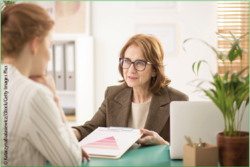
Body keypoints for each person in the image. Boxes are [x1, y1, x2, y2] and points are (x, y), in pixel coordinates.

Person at [1, 3, 89, 166]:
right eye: (49, 45)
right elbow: (71, 161)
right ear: (34, 44)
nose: (49, 57)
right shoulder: (34, 94)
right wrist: (55, 99)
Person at [73, 34, 189, 145]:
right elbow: (91, 129)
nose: (131, 70)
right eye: (127, 61)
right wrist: (69, 133)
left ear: (154, 70)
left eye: (139, 63)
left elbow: (183, 149)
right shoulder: (113, 94)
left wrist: (162, 144)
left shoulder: (177, 100)